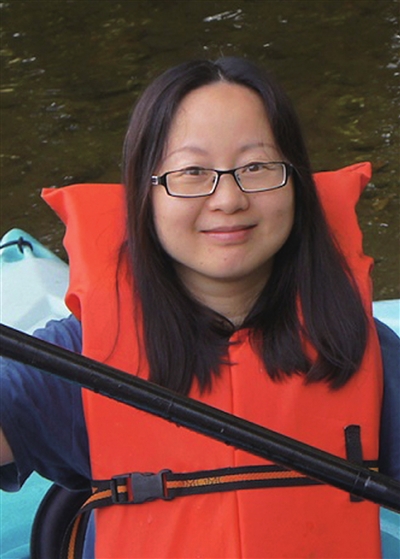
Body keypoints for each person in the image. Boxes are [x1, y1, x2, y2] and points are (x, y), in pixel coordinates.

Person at [0, 57, 399, 558]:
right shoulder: (78, 359)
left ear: (296, 183)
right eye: (192, 172)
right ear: (145, 194)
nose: (228, 198)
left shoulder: (361, 348)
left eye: (256, 167)